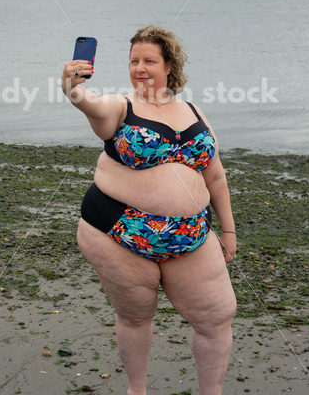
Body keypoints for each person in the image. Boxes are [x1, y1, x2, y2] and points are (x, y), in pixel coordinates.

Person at [61, 25, 237, 395]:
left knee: (217, 315)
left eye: (149, 61)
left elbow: (216, 177)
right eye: (133, 61)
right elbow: (90, 104)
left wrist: (229, 230)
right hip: (120, 231)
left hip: (191, 233)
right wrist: (73, 89)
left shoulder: (194, 111)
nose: (139, 68)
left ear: (169, 65)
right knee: (137, 317)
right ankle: (136, 391)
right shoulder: (120, 107)